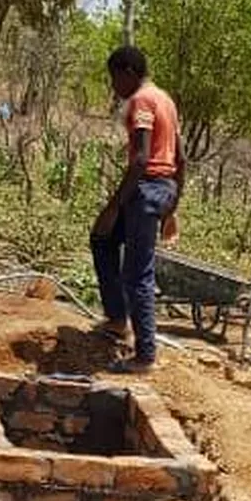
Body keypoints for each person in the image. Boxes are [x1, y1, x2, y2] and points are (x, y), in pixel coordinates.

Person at [90, 44, 184, 375]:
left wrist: (114, 206)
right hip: (162, 188)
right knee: (102, 239)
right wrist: (173, 205)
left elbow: (142, 159)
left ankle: (145, 356)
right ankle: (117, 320)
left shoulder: (142, 101)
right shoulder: (166, 101)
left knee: (137, 274)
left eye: (114, 79)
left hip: (146, 191)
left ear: (128, 72)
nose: (114, 88)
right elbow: (181, 158)